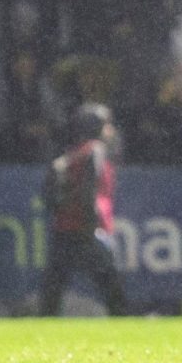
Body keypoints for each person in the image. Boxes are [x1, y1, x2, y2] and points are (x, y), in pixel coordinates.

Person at [39, 103, 126, 316]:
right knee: (111, 283)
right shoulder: (95, 150)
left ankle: (44, 325)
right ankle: (121, 320)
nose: (110, 130)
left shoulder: (72, 153)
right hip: (87, 227)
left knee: (54, 284)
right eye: (105, 125)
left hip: (65, 227)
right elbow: (90, 187)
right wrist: (91, 222)